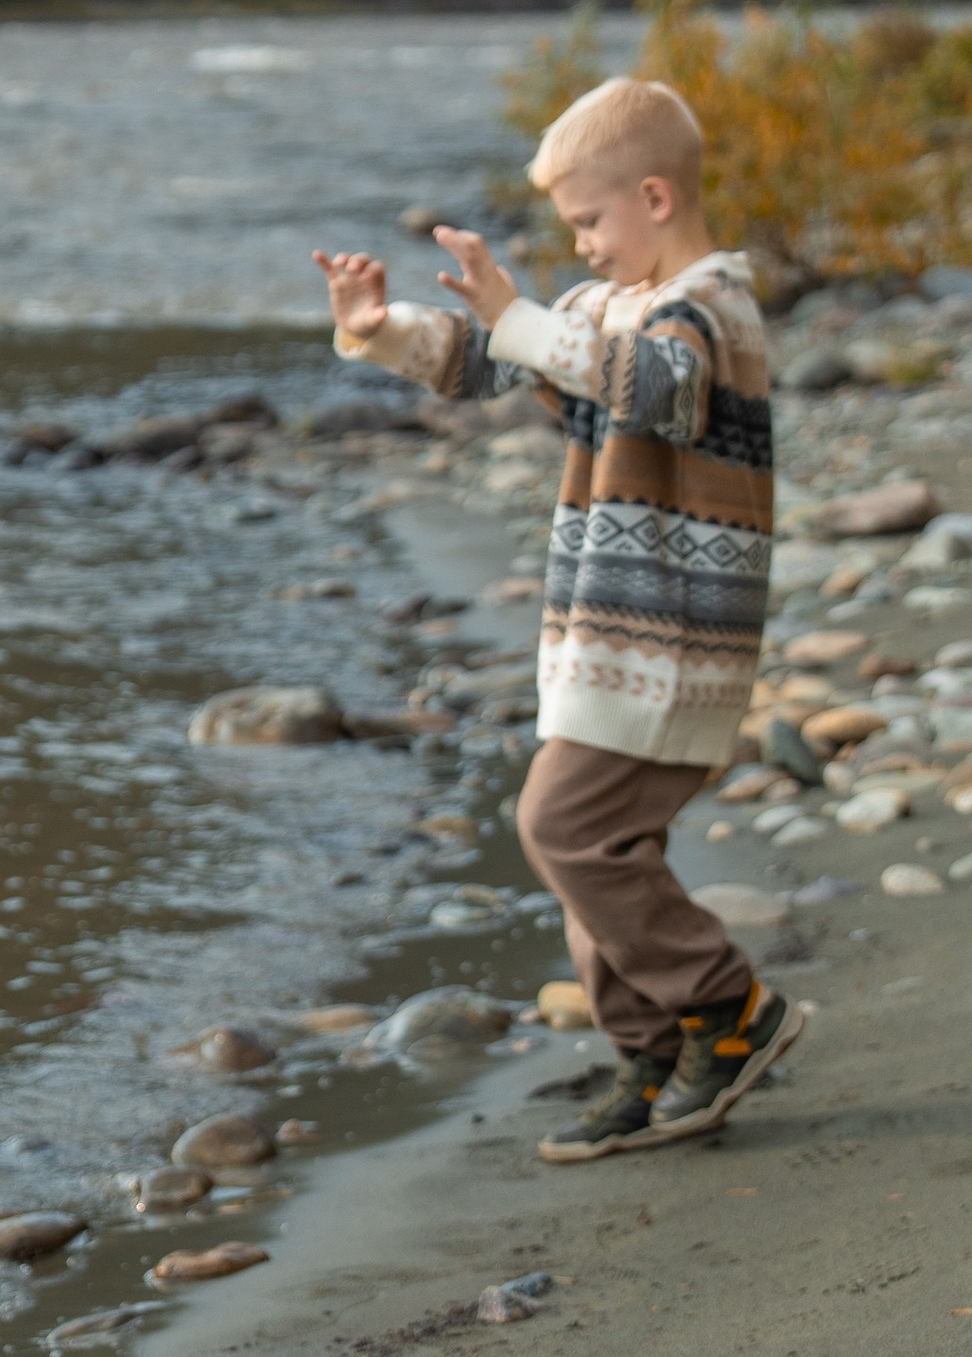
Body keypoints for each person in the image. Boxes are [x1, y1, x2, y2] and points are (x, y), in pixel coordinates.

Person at [315, 72, 804, 1161]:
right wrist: (382, 327)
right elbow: (495, 361)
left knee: (561, 828)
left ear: (656, 198)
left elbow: (656, 391)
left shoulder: (710, 310)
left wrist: (521, 315)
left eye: (589, 220)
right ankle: (652, 1050)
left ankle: (726, 1009)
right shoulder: (604, 309)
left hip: (671, 644)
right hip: (604, 641)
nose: (578, 245)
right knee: (594, 855)